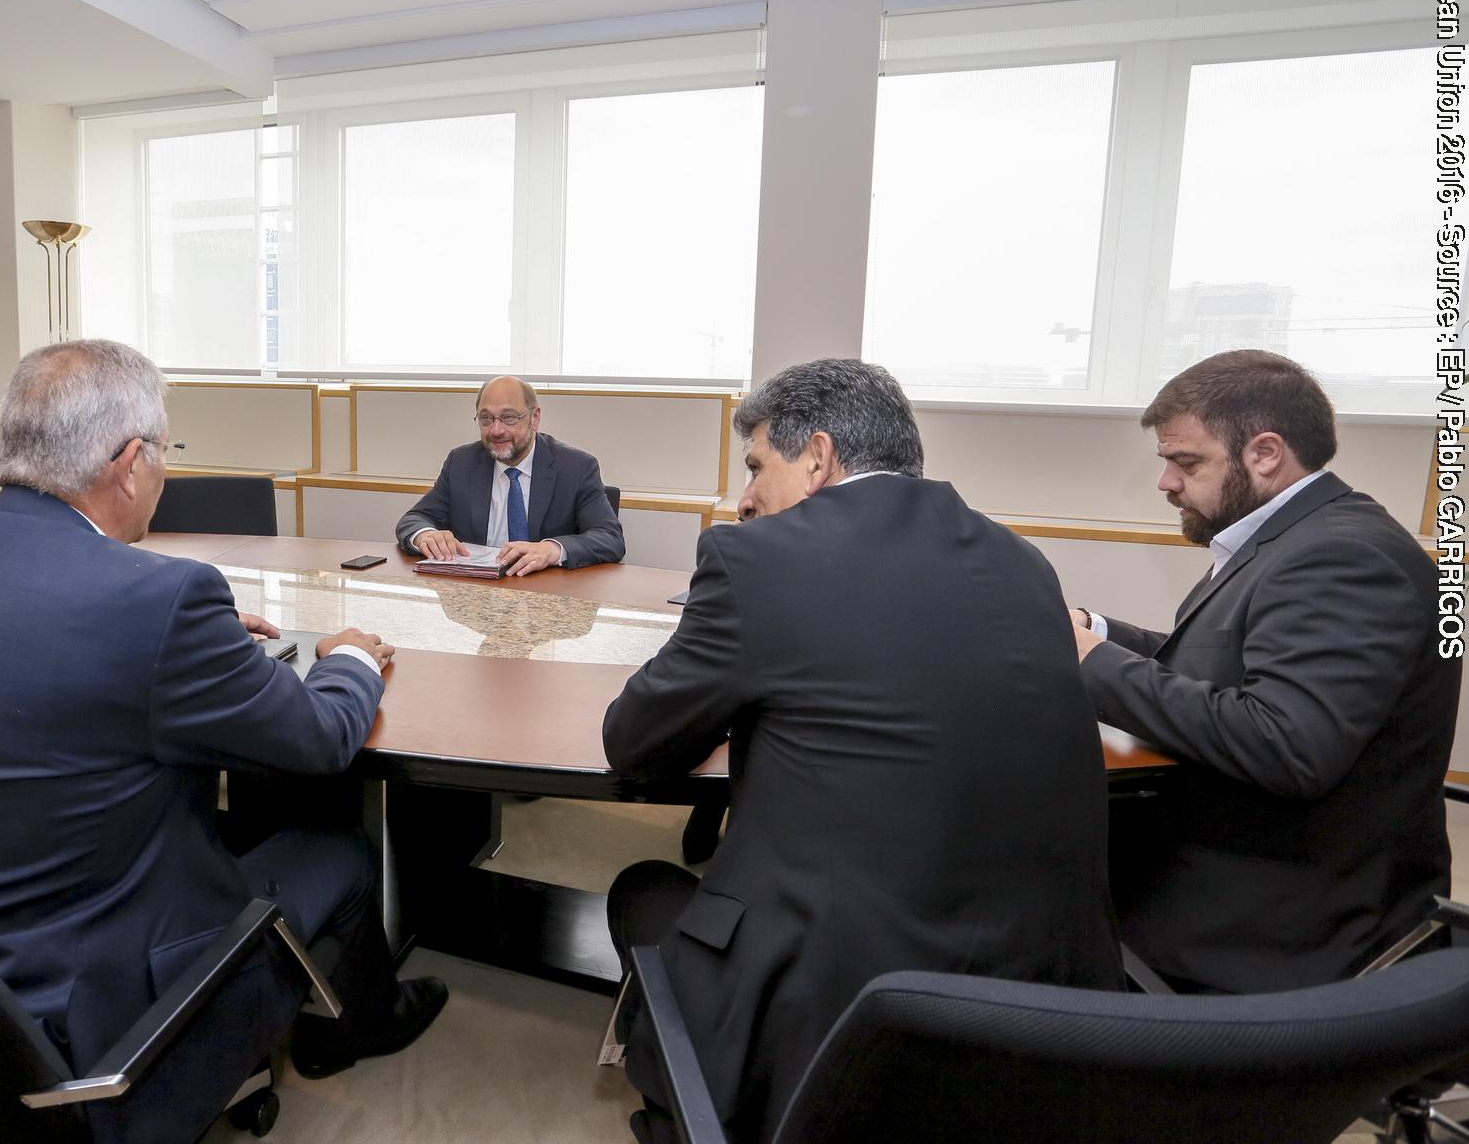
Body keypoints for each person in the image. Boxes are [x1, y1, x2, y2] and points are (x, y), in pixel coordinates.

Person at [0, 339, 446, 1144]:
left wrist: (193, 645)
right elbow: (322, 737)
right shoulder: (159, 596)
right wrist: (353, 656)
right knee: (339, 850)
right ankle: (350, 1032)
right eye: (165, 452)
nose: (163, 470)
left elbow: (29, 657)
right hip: (76, 1004)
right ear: (129, 462)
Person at [603, 359, 1121, 1144]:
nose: (744, 500)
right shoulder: (1023, 562)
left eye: (755, 468)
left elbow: (634, 743)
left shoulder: (758, 560)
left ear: (817, 457)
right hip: (1043, 1007)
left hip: (843, 1015)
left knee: (641, 889)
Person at [1072, 349, 1458, 994]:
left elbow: (1286, 744)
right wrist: (1099, 632)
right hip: (1259, 869)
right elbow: (1228, 665)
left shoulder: (1343, 557)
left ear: (1266, 453)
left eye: (1186, 461)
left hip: (1283, 921)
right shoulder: (1302, 537)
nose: (1166, 482)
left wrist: (1092, 665)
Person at [396, 375, 624, 575]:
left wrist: (552, 549)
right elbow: (413, 519)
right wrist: (425, 535)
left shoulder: (576, 467)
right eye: (486, 418)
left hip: (547, 596)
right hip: (477, 597)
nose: (496, 430)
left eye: (508, 418)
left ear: (534, 418)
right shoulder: (462, 462)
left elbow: (609, 538)